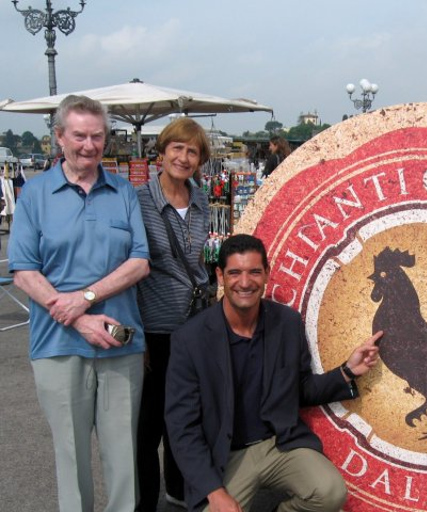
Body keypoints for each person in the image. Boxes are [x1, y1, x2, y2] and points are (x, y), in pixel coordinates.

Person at [165, 234, 382, 512]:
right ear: (220, 276)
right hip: (225, 455)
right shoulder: (189, 339)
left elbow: (300, 388)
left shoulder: (287, 323)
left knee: (330, 492)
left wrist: (347, 371)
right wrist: (214, 491)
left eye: (254, 272)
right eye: (235, 273)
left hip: (279, 444)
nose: (245, 282)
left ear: (267, 273)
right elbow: (182, 427)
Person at [8, 94, 150, 511]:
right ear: (58, 137)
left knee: (123, 455)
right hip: (57, 345)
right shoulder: (34, 195)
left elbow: (139, 262)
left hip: (120, 343)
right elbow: (24, 271)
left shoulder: (124, 191)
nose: (88, 145)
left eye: (97, 136)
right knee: (70, 457)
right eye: (79, 136)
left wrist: (86, 299)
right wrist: (76, 316)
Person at [135, 118, 212, 511]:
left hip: (193, 330)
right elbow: (128, 269)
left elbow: (198, 262)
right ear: (161, 152)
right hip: (153, 329)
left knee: (184, 419)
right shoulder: (138, 201)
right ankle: (145, 503)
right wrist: (135, 336)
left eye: (192, 151)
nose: (183, 157)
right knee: (147, 426)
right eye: (177, 148)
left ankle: (179, 494)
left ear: (200, 160)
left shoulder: (199, 201)